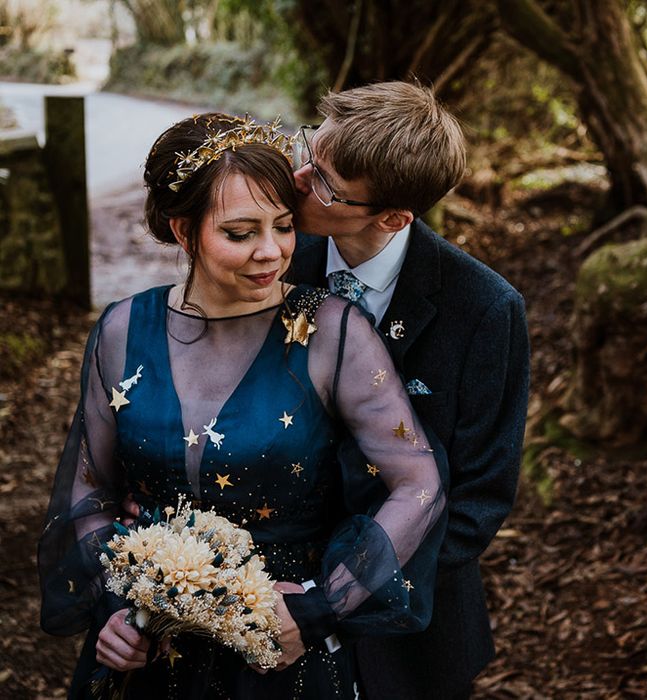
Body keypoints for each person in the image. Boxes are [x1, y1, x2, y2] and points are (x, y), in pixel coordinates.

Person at [38, 112, 448, 699]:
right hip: (148, 647)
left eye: (283, 226)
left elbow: (418, 484)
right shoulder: (123, 329)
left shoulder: (331, 331)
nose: (271, 252)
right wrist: (119, 604)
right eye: (240, 232)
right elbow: (90, 488)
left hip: (277, 656)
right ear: (184, 232)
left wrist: (321, 606)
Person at [287, 81, 530, 700]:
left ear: (394, 217)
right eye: (307, 152)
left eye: (325, 185)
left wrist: (341, 597)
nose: (297, 178)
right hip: (267, 602)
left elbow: (478, 499)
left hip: (408, 633)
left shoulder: (485, 310)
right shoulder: (274, 263)